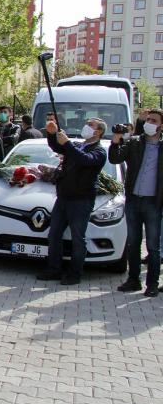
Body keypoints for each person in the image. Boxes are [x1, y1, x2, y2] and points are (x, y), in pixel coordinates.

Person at [38, 118, 107, 285]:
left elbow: (85, 160)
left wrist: (68, 144)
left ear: (98, 132)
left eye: (90, 125)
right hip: (63, 197)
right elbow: (57, 147)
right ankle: (54, 269)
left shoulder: (99, 151)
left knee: (78, 238)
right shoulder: (77, 145)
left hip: (81, 200)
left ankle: (75, 273)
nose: (86, 126)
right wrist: (52, 133)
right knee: (54, 234)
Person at [108, 110, 163, 296]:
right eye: (148, 119)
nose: (149, 122)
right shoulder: (135, 143)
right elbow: (115, 158)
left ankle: (152, 284)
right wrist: (116, 139)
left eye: (153, 120)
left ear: (161, 126)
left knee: (153, 246)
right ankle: (133, 280)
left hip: (153, 203)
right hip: (133, 199)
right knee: (133, 242)